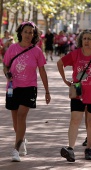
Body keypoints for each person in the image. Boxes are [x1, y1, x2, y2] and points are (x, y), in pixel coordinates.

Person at [57, 29, 91, 162]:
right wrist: (65, 81)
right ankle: (70, 149)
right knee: (75, 120)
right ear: (81, 40)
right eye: (84, 38)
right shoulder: (76, 54)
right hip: (77, 92)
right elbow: (60, 63)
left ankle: (89, 149)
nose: (86, 41)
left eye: (89, 39)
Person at [3, 21, 51, 162]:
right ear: (21, 33)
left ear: (34, 35)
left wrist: (47, 91)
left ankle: (16, 150)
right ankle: (22, 139)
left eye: (31, 32)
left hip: (29, 87)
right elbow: (5, 66)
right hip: (13, 87)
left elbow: (42, 71)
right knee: (15, 121)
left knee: (21, 116)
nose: (28, 35)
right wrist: (7, 74)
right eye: (26, 32)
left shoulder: (37, 51)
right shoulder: (12, 48)